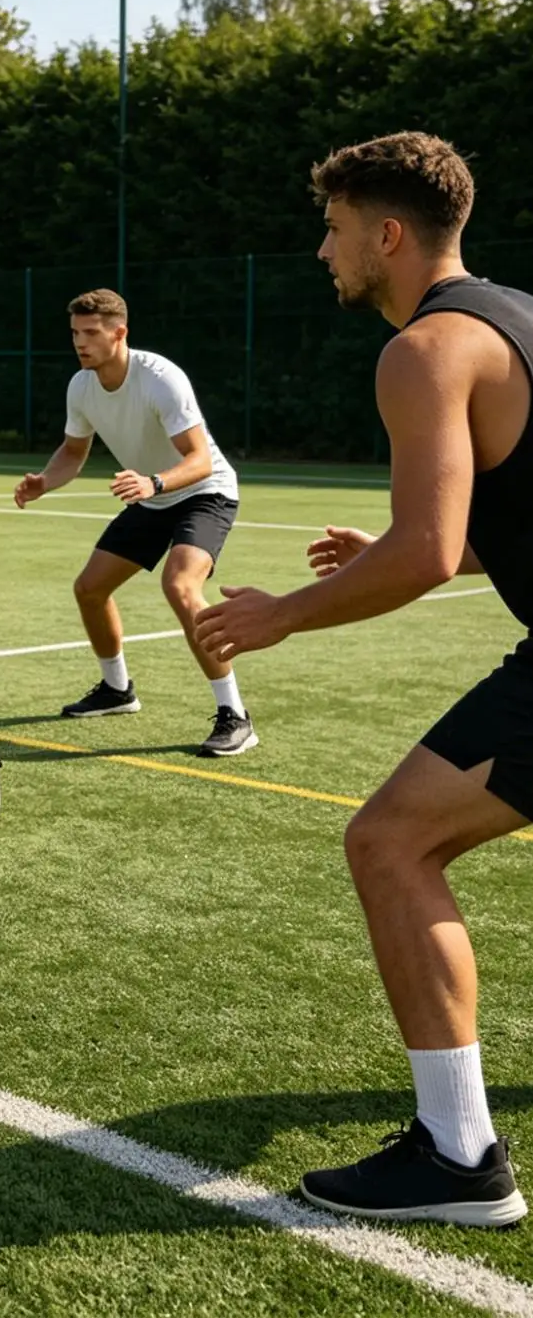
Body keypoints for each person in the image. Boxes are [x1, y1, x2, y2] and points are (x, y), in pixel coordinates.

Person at [197, 131, 531, 1227]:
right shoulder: (518, 318)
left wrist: (280, 613)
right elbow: (475, 531)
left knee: (390, 842)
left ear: (387, 235)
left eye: (333, 229)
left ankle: (458, 1156)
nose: (321, 250)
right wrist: (402, 548)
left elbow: (424, 553)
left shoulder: (423, 350)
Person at [13, 288, 254, 757]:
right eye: (75, 333)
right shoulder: (81, 386)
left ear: (119, 333)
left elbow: (200, 460)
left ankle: (235, 715)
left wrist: (154, 483)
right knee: (90, 588)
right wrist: (45, 481)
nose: (80, 343)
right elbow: (73, 452)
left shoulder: (161, 379)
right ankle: (117, 690)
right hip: (152, 496)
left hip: (204, 492)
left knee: (180, 586)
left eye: (90, 333)